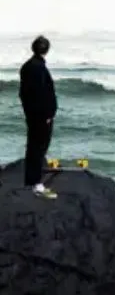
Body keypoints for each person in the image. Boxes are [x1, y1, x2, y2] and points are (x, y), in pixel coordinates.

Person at [19, 36, 58, 198]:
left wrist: (29, 112)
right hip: (41, 116)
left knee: (33, 146)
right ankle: (37, 184)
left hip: (32, 114)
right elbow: (42, 94)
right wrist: (47, 115)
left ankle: (32, 180)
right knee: (39, 147)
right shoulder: (39, 68)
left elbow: (24, 94)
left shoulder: (26, 66)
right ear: (46, 50)